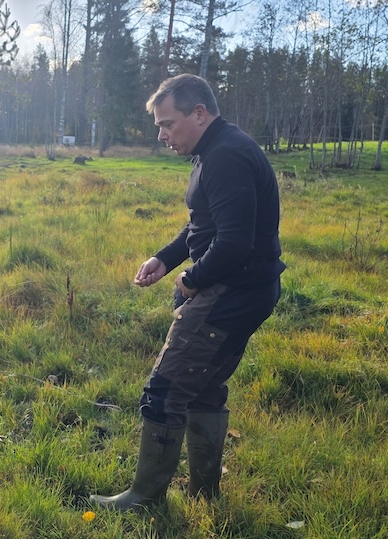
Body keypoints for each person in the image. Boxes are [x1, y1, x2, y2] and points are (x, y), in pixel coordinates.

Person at [91, 74, 285, 510]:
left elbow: (235, 243)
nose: (162, 136)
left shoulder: (226, 156)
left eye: (168, 124)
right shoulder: (214, 150)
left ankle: (144, 498)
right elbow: (204, 224)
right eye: (159, 126)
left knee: (165, 389)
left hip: (232, 292)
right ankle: (205, 495)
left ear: (199, 113)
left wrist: (192, 279)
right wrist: (165, 258)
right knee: (203, 388)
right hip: (247, 289)